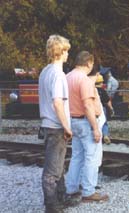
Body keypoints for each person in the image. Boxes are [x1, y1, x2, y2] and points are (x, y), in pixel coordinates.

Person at [38, 34, 78, 213]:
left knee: (59, 166)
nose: (68, 54)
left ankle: (61, 197)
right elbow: (57, 102)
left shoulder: (45, 71)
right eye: (66, 51)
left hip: (47, 125)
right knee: (52, 171)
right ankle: (52, 206)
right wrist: (67, 127)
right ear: (60, 52)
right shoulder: (58, 74)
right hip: (56, 126)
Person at [65, 51, 109, 203]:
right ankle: (89, 192)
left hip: (73, 121)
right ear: (89, 63)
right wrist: (96, 128)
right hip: (86, 122)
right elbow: (88, 105)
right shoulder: (83, 80)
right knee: (91, 157)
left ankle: (71, 188)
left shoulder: (67, 77)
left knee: (77, 155)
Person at [94, 72, 113, 144]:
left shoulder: (91, 89)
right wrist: (111, 108)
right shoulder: (103, 91)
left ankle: (96, 135)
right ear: (101, 82)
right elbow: (108, 101)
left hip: (93, 108)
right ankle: (105, 135)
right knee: (104, 123)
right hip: (102, 108)